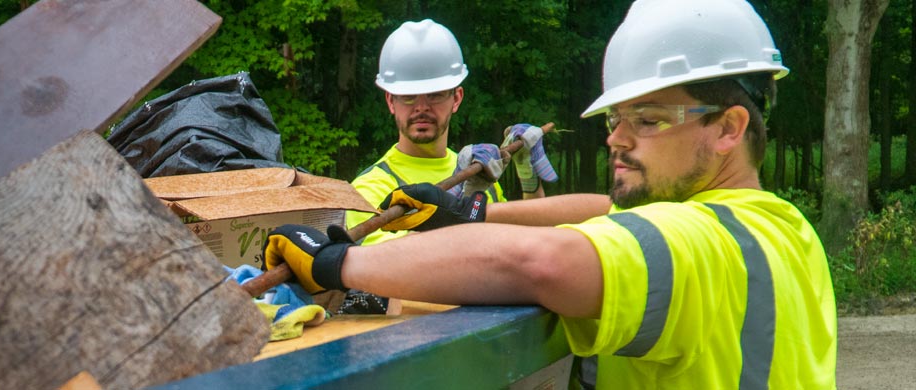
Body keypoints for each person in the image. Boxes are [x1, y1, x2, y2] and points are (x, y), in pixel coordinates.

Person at [263, 0, 835, 388]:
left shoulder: (700, 241)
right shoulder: (783, 227)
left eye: (649, 119)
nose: (616, 138)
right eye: (616, 117)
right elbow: (606, 211)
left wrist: (338, 262)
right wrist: (474, 212)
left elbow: (543, 263)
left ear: (729, 128)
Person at [346, 19, 558, 248]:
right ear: (390, 101)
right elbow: (389, 267)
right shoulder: (367, 191)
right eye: (408, 96)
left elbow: (531, 247)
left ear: (456, 98)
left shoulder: (481, 174)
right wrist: (462, 201)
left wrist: (528, 177)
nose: (421, 107)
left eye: (435, 94)